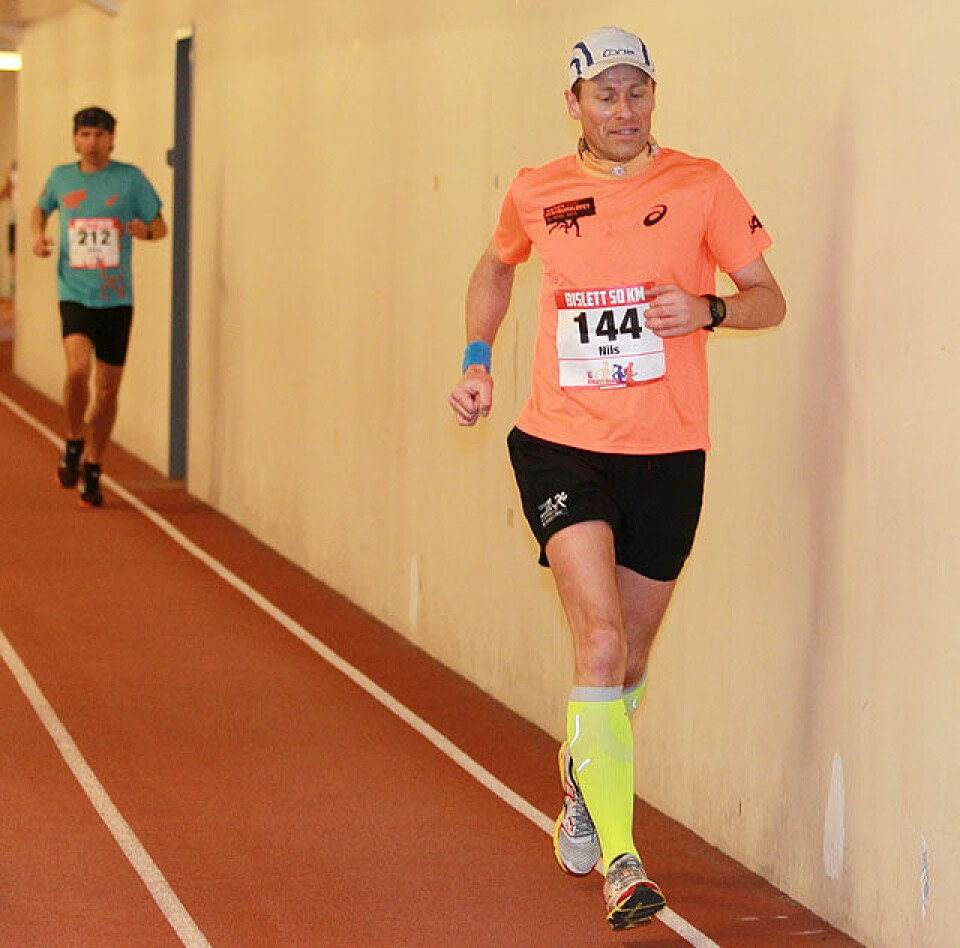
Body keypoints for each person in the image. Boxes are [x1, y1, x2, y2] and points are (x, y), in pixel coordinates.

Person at [448, 26, 785, 931]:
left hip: (669, 453)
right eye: (606, 95)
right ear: (575, 106)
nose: (624, 110)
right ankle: (624, 861)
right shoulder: (537, 190)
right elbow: (494, 265)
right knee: (596, 645)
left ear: (653, 99)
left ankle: (582, 777)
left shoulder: (702, 184)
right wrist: (478, 357)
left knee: (627, 664)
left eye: (638, 93)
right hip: (561, 444)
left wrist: (708, 308)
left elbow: (769, 297)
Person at [31, 107, 167, 507]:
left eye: (100, 135)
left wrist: (146, 232)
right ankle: (74, 438)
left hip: (117, 299)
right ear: (75, 139)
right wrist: (38, 235)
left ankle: (93, 464)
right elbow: (40, 207)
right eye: (85, 134)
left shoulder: (130, 179)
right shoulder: (61, 177)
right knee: (77, 371)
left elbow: (160, 226)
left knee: (107, 391)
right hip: (74, 290)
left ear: (112, 140)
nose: (92, 143)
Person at [0, 159, 15, 295]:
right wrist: (6, 177)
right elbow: (3, 195)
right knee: (12, 254)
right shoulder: (12, 170)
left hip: (22, 222)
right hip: (13, 221)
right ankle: (13, 287)